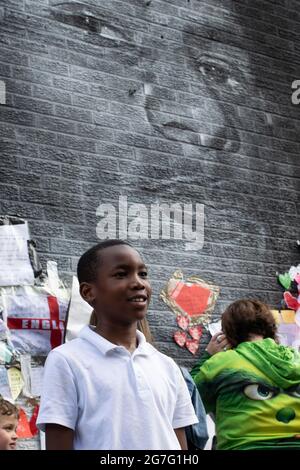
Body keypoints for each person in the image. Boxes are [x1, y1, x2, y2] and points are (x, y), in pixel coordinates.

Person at [37, 240, 198, 450]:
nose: (138, 283)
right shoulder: (67, 361)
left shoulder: (166, 365)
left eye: (143, 274)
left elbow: (178, 441)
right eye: (121, 274)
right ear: (88, 292)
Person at [191, 299, 300, 450]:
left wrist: (208, 355)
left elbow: (189, 402)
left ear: (227, 333)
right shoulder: (296, 360)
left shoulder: (221, 363)